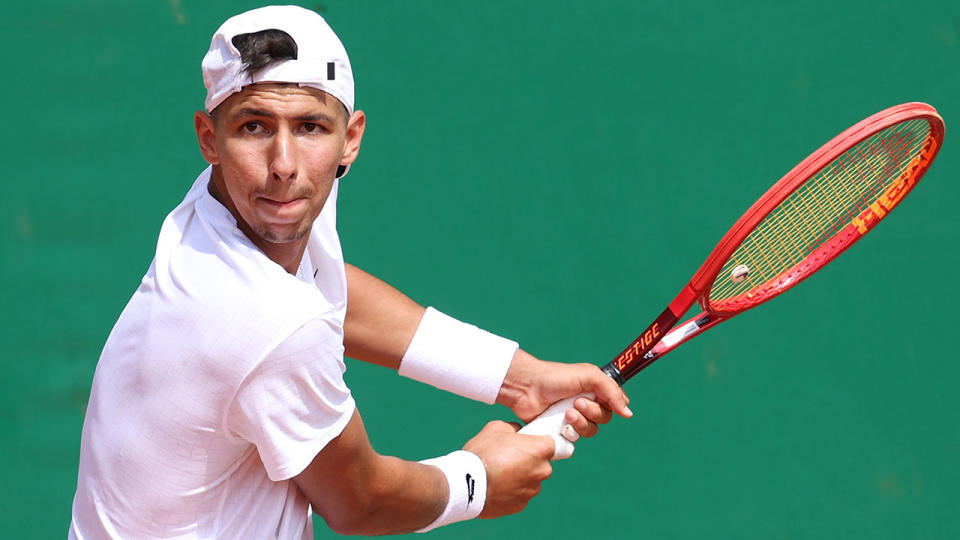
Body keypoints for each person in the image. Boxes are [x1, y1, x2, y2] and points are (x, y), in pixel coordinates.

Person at [69, 6, 631, 538]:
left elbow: (327, 286)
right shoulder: (263, 317)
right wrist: (478, 481)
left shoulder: (234, 208)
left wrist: (516, 376)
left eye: (310, 127)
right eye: (255, 127)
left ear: (349, 140)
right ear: (209, 139)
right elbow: (359, 499)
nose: (284, 165)